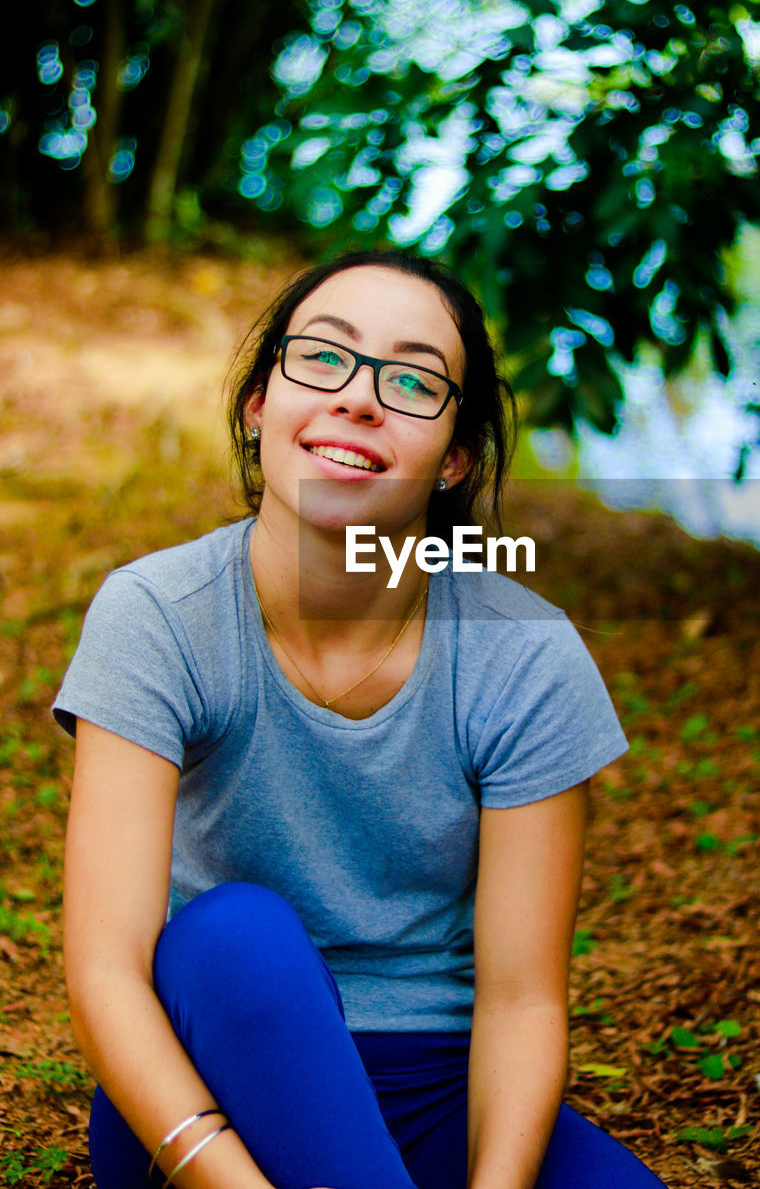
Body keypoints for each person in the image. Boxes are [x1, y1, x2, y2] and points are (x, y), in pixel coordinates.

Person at [54, 250, 667, 1189]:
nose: (359, 398)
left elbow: (519, 1002)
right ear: (261, 404)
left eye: (414, 380)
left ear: (454, 456)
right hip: (211, 1093)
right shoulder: (159, 615)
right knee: (236, 933)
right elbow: (104, 972)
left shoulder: (525, 654)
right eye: (324, 359)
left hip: (436, 1092)